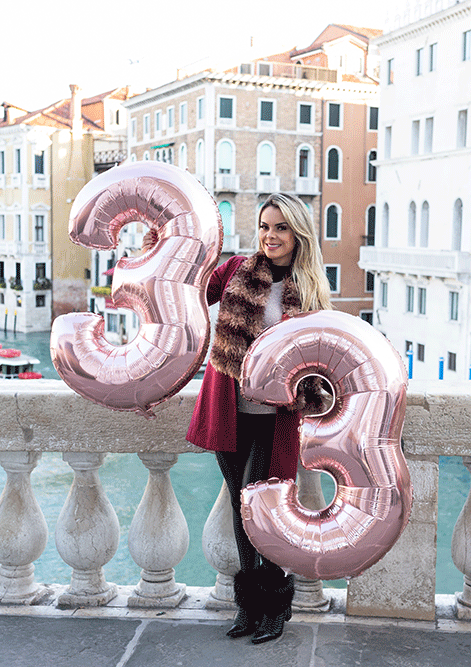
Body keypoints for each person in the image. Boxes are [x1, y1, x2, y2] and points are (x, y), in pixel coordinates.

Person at [185, 193, 332, 644]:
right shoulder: (235, 272)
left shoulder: (309, 292)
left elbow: (321, 355)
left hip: (275, 416)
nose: (270, 236)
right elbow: (188, 289)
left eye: (281, 227)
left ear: (298, 234)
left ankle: (275, 607)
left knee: (264, 512)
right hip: (230, 407)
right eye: (265, 226)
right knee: (239, 506)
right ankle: (248, 608)